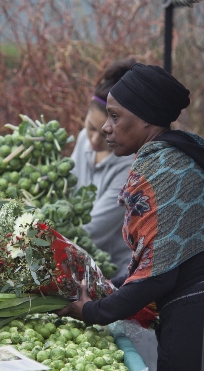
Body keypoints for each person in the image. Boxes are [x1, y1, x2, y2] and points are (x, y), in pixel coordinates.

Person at [57, 63, 204, 371]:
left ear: (145, 119)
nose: (107, 128)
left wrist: (93, 311)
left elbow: (159, 275)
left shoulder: (156, 168)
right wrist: (114, 289)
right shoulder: (197, 151)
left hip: (198, 325)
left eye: (114, 117)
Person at [71, 58, 136, 276]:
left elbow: (92, 231)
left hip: (114, 274)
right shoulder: (83, 140)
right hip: (76, 262)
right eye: (90, 127)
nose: (95, 140)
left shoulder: (129, 166)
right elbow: (66, 191)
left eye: (104, 132)